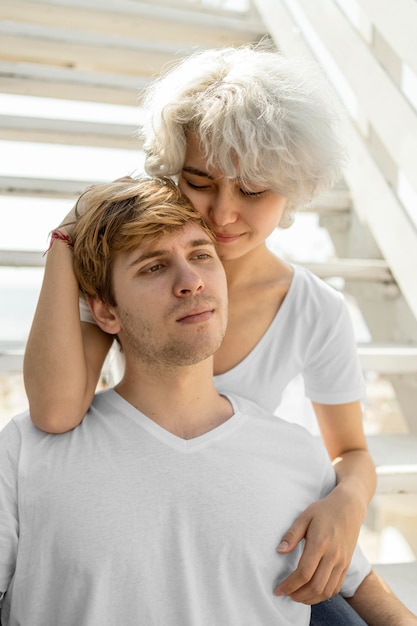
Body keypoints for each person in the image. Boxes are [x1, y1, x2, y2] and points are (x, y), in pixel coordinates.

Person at [24, 45, 377, 619]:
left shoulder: (314, 308)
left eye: (254, 191)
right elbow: (57, 411)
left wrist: (348, 501)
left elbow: (353, 451)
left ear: (295, 188)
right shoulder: (140, 284)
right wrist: (67, 241)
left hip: (263, 525)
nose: (222, 213)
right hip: (146, 510)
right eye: (199, 181)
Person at [2, 178, 416, 625]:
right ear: (105, 311)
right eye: (153, 267)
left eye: (201, 255)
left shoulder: (296, 456)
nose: (191, 281)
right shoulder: (26, 454)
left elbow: (380, 608)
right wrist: (63, 242)